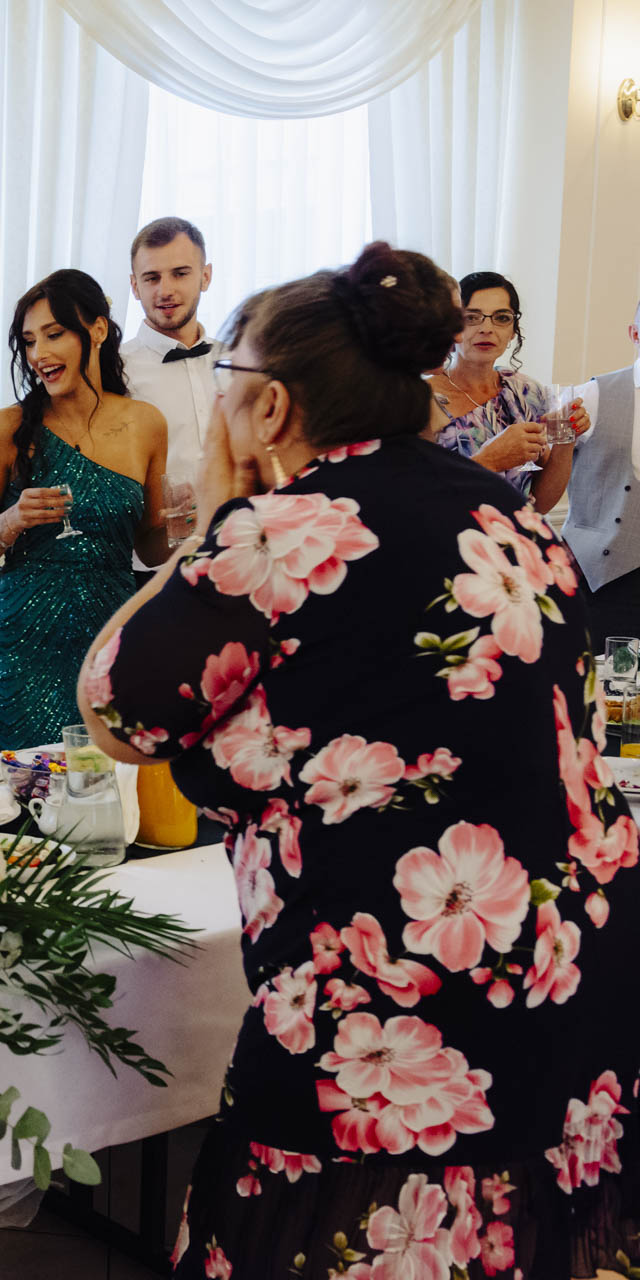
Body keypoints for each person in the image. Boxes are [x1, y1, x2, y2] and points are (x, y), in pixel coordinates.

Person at [77, 242, 640, 1277]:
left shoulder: (282, 531)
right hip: (568, 972)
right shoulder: (508, 515)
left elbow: (117, 711)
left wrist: (213, 523)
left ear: (272, 406)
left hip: (392, 1009)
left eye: (230, 377)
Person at [0, 268, 168, 752]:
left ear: (97, 329)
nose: (39, 354)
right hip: (24, 650)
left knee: (109, 785)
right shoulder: (5, 429)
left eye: (54, 335)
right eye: (29, 341)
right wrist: (11, 521)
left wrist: (186, 524)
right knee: (34, 790)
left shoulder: (146, 424)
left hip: (111, 640)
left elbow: (152, 549)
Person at [428, 271, 587, 514]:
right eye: (472, 317)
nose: (487, 328)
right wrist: (490, 460)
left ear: (513, 330)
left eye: (501, 318)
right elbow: (413, 498)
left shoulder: (526, 392)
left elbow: (540, 504)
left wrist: (566, 440)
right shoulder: (421, 400)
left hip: (516, 534)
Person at [560, 300, 640, 646]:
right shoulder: (593, 395)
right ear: (635, 334)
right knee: (605, 674)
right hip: (603, 574)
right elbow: (548, 468)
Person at [123, 217, 221, 482]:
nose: (165, 290)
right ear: (135, 287)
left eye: (180, 274)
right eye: (152, 278)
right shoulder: (113, 371)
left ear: (205, 277)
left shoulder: (238, 362)